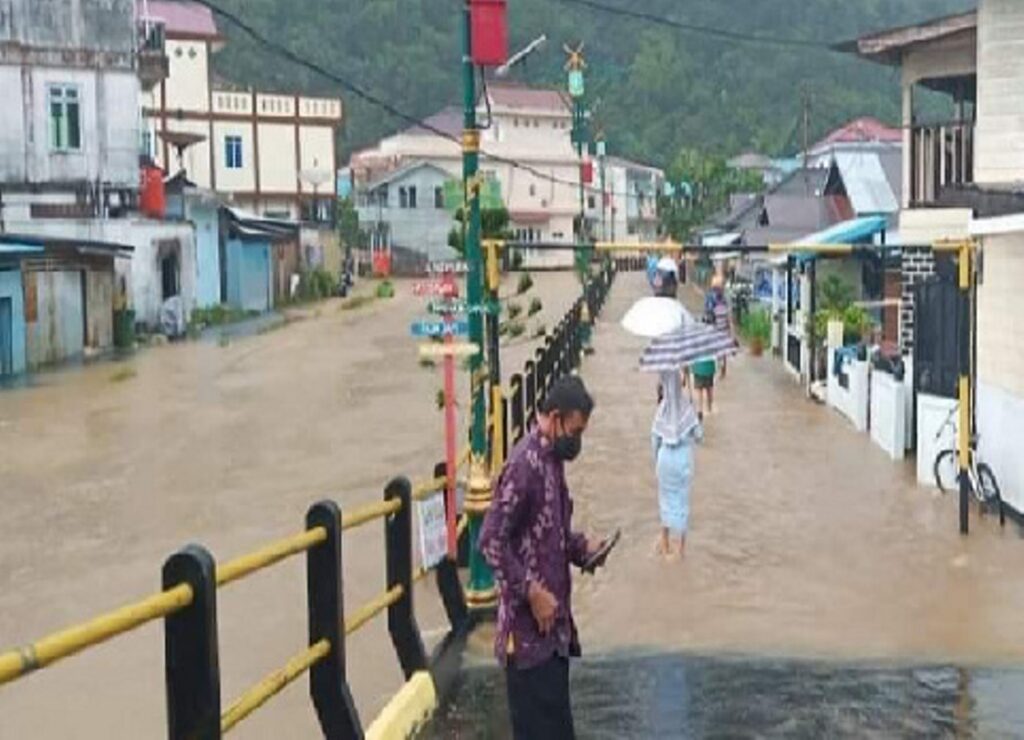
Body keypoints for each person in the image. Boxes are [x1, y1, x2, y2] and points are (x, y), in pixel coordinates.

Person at [479, 376, 606, 740]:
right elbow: (489, 540)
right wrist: (531, 591)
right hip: (527, 639)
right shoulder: (525, 466)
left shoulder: (552, 462)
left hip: (553, 636)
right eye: (575, 430)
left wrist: (584, 550)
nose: (577, 440)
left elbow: (551, 535)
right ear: (555, 417)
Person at [651, 269, 702, 560]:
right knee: (681, 503)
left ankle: (664, 540)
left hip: (663, 463)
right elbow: (699, 432)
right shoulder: (686, 410)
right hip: (682, 463)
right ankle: (680, 550)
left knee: (665, 501)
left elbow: (653, 442)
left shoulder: (662, 413)